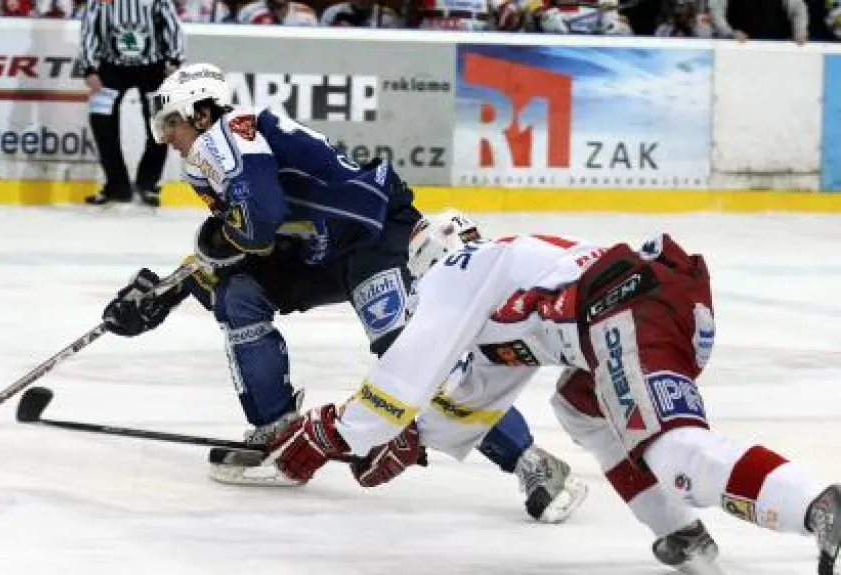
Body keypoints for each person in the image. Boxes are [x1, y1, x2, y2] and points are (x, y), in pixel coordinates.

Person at [95, 63, 586, 524]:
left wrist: (201, 262)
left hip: (372, 236)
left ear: (202, 113)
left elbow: (255, 224)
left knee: (409, 352)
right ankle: (278, 429)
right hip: (319, 247)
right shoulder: (215, 153)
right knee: (237, 294)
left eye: (172, 123)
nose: (168, 138)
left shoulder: (226, 134)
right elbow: (242, 234)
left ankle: (532, 461)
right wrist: (170, 290)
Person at [266, 209, 841, 574]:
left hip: (623, 311)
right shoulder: (515, 278)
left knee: (673, 450)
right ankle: (680, 535)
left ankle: (815, 504)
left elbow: (411, 364)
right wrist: (411, 440)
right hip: (651, 308)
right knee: (580, 407)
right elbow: (472, 396)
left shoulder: (463, 265)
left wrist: (338, 431)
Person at [77, 0, 184, 206]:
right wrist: (89, 68)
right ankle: (117, 186)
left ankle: (147, 184)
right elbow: (89, 30)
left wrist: (174, 60)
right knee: (100, 119)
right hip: (112, 67)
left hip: (153, 67)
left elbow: (173, 26)